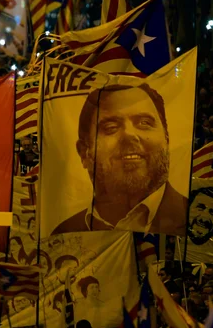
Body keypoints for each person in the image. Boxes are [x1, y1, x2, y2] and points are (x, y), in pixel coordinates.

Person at [52, 84, 187, 236]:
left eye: (144, 122)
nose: (129, 134)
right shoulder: (63, 235)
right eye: (110, 127)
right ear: (84, 153)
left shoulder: (198, 224)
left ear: (166, 139)